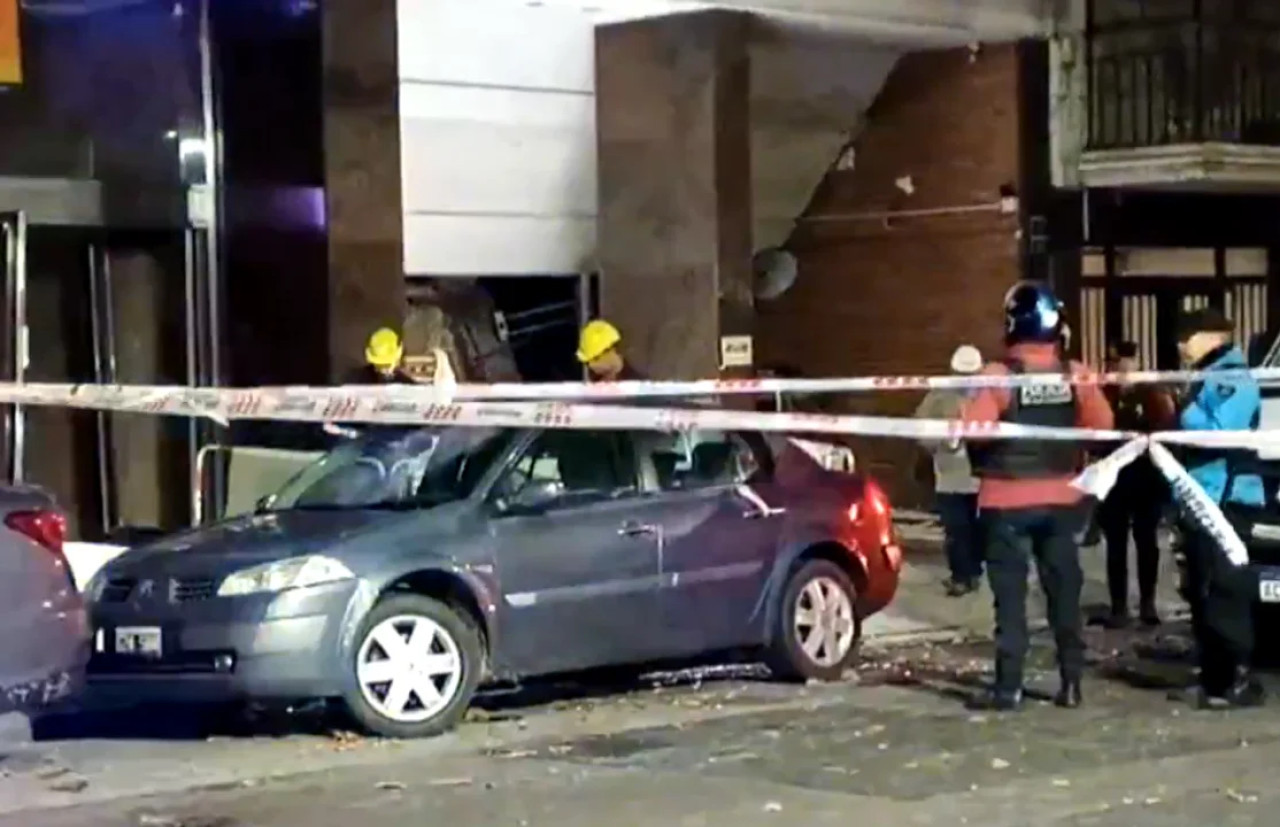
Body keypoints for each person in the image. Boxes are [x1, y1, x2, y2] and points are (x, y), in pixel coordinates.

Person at [961, 282, 1114, 711]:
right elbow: (1101, 424)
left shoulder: (997, 376)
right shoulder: (1075, 374)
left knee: (1010, 600)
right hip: (1062, 501)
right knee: (1064, 594)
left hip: (1004, 501)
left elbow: (973, 431)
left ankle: (1008, 688)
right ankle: (1072, 683)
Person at [1171, 308, 1266, 709]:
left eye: (1187, 336)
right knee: (1201, 591)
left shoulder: (1231, 378)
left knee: (1225, 590)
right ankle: (1213, 679)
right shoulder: (1207, 377)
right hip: (1201, 498)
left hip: (1226, 499)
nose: (1180, 346)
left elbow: (1218, 432)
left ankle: (1238, 679)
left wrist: (1182, 411)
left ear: (1213, 337)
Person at [1095, 341, 1175, 629]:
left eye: (1126, 363)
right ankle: (1119, 607)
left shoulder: (1152, 394)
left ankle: (1147, 603)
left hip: (1146, 478)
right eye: (1116, 364)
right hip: (1115, 479)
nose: (1121, 369)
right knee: (1115, 544)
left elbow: (1167, 428)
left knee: (1146, 541)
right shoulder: (1105, 394)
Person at [915, 344, 985, 597]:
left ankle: (972, 572)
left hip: (981, 475)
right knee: (957, 528)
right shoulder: (938, 396)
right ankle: (961, 576)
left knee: (976, 528)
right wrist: (943, 440)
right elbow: (921, 431)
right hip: (950, 474)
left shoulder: (989, 393)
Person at [577, 319, 644, 382]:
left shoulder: (638, 386)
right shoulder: (595, 385)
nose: (591, 366)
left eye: (596, 358)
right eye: (588, 362)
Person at [349, 327, 417, 384]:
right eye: (379, 366)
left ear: (397, 360)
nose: (384, 370)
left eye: (387, 365)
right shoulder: (356, 379)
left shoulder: (406, 384)